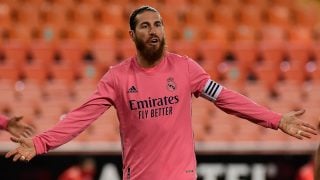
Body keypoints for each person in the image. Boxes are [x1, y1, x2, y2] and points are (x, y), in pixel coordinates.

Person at [5, 6, 318, 180]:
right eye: (145, 26)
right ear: (132, 34)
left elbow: (225, 98)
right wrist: (41, 142)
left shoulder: (185, 70)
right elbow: (81, 117)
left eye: (158, 24)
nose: (153, 30)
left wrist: (276, 120)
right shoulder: (117, 78)